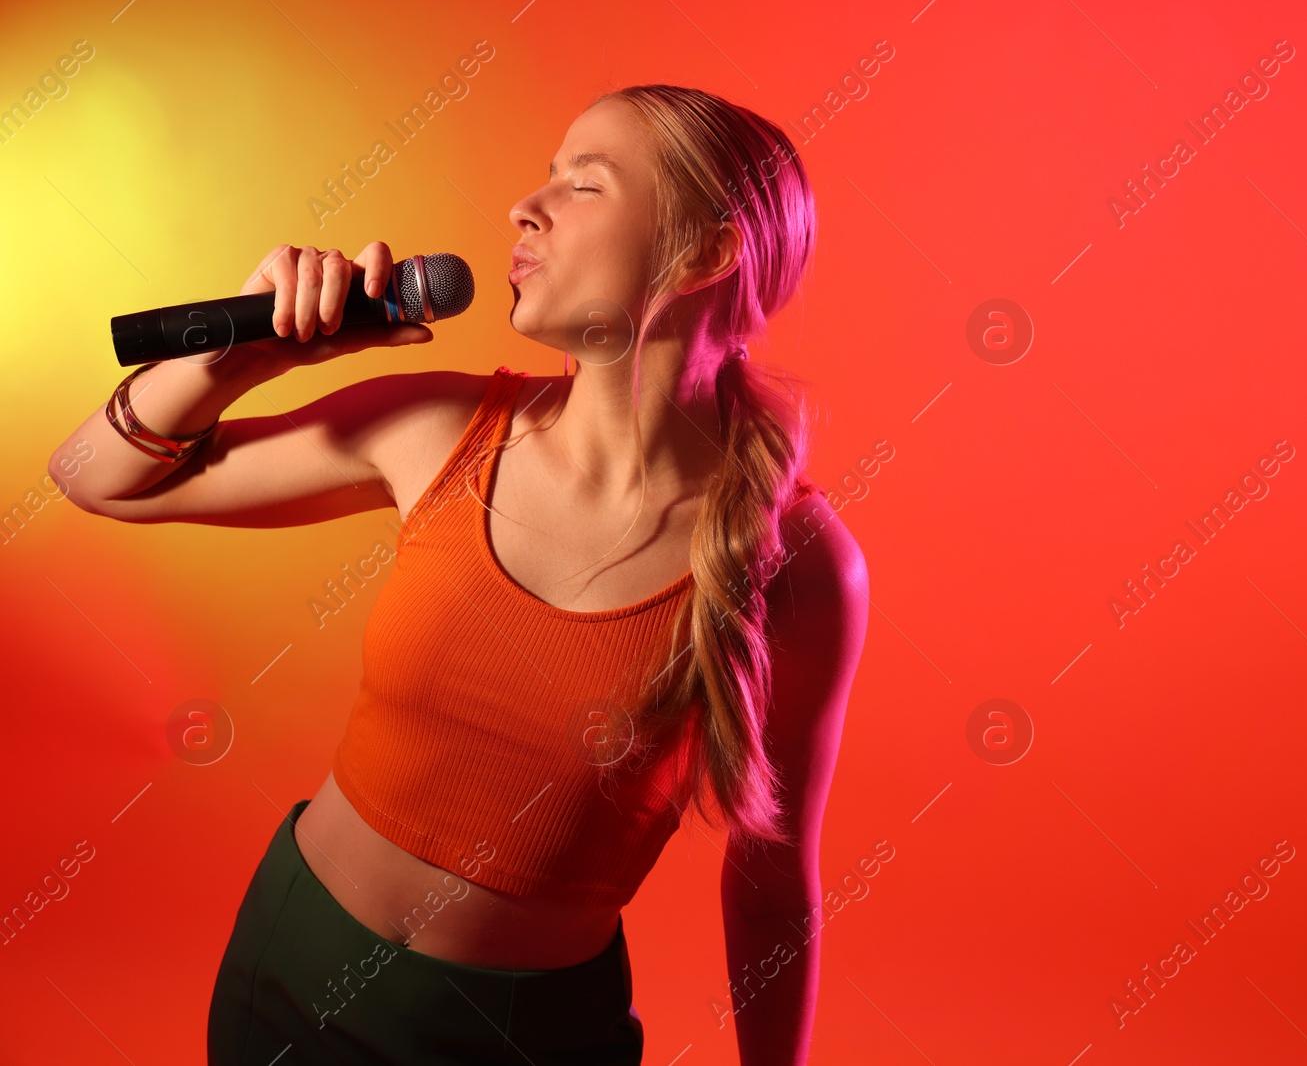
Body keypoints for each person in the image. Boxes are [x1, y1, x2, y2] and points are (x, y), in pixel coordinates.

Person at [51, 84, 869, 1065]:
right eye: (547, 173)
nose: (528, 204)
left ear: (705, 252)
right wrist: (241, 358)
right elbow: (94, 478)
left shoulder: (801, 565)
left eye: (585, 183)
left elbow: (773, 878)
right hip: (287, 977)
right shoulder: (439, 429)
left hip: (525, 1039)